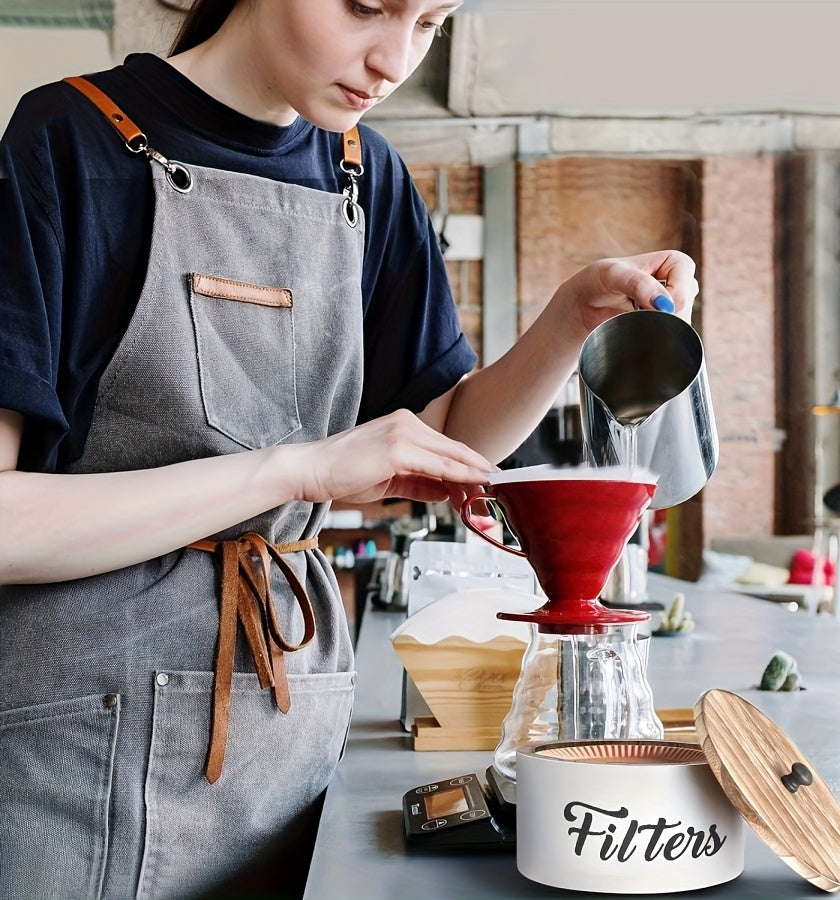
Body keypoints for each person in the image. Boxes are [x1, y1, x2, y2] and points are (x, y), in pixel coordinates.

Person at [0, 1, 698, 897]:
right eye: (367, 6)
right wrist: (302, 469)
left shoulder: (369, 177)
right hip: (83, 738)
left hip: (288, 728)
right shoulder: (67, 144)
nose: (394, 58)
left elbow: (443, 444)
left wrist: (570, 321)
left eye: (431, 22)